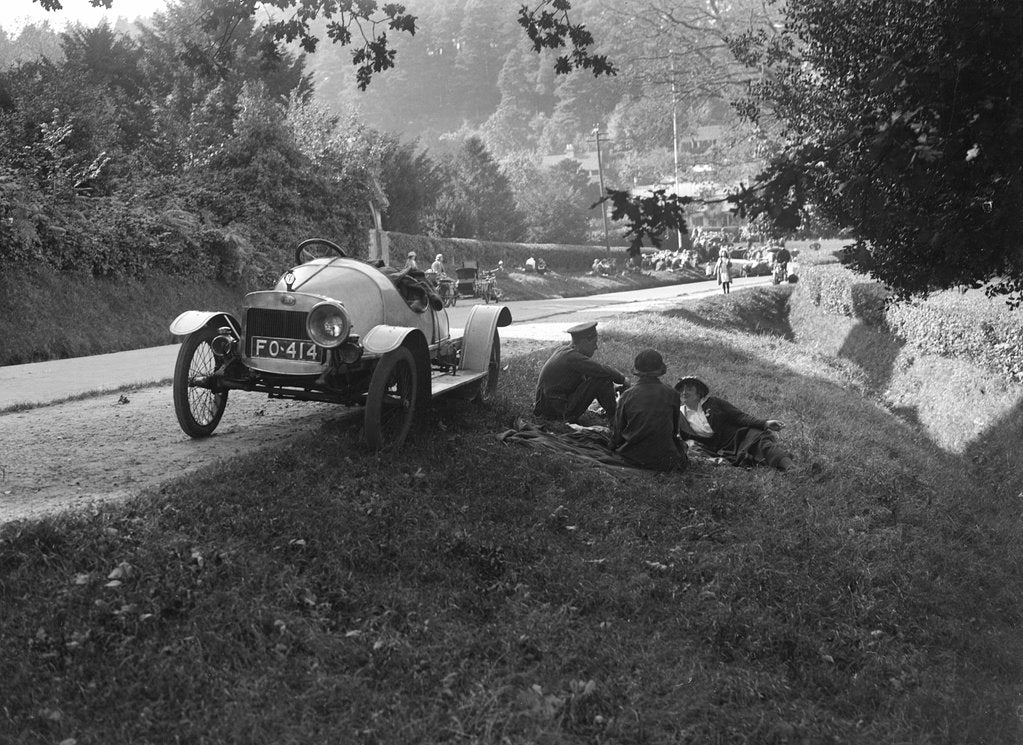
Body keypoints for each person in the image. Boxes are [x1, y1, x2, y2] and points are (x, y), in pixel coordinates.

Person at [674, 376, 795, 471]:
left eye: (689, 388)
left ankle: (792, 469)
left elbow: (739, 416)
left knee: (762, 444)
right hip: (717, 449)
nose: (684, 392)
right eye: (681, 389)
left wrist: (765, 423)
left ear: (699, 392)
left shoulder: (714, 403)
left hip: (739, 436)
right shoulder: (679, 415)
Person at [534, 321, 627, 424]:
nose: (596, 347)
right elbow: (601, 370)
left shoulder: (564, 351)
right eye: (594, 343)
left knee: (599, 377)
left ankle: (614, 416)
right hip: (558, 414)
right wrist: (623, 380)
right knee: (602, 378)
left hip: (548, 410)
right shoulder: (572, 357)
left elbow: (586, 378)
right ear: (584, 342)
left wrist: (611, 388)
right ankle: (615, 418)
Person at [611, 349, 688, 472]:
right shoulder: (672, 394)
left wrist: (613, 446)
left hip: (632, 456)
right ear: (659, 371)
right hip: (665, 458)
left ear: (637, 372)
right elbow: (673, 431)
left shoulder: (627, 395)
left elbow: (618, 431)